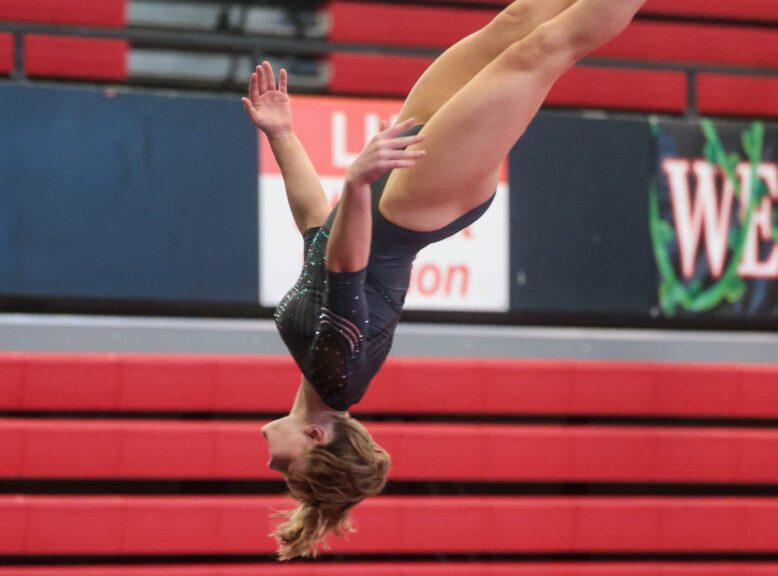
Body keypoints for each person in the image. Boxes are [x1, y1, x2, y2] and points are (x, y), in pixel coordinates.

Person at [242, 0, 646, 560]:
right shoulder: (337, 378)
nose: (269, 460)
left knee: (515, 24)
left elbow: (316, 235)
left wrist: (282, 134)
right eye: (285, 469)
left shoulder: (315, 368)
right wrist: (357, 183)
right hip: (417, 200)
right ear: (315, 439)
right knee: (543, 51)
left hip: (399, 196)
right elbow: (344, 267)